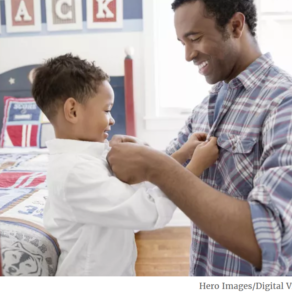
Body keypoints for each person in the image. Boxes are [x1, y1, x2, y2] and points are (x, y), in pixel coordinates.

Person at [107, 0, 292, 276]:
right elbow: (173, 163)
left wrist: (154, 165)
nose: (188, 55)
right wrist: (143, 152)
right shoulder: (210, 103)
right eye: (183, 43)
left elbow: (273, 241)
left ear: (234, 25)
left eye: (194, 38)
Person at [31, 53, 219, 276]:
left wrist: (181, 154)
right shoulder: (76, 173)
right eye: (106, 109)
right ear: (72, 111)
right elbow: (150, 211)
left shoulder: (90, 159)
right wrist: (194, 167)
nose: (111, 119)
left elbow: (141, 186)